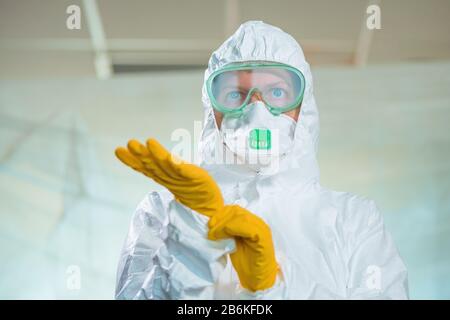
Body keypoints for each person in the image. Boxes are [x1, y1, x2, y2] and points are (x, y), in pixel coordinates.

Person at [114, 21, 409, 299]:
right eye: (235, 94)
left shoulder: (354, 220)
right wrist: (193, 252)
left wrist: (271, 287)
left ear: (303, 108)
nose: (257, 110)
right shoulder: (162, 214)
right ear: (212, 111)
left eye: (277, 92)